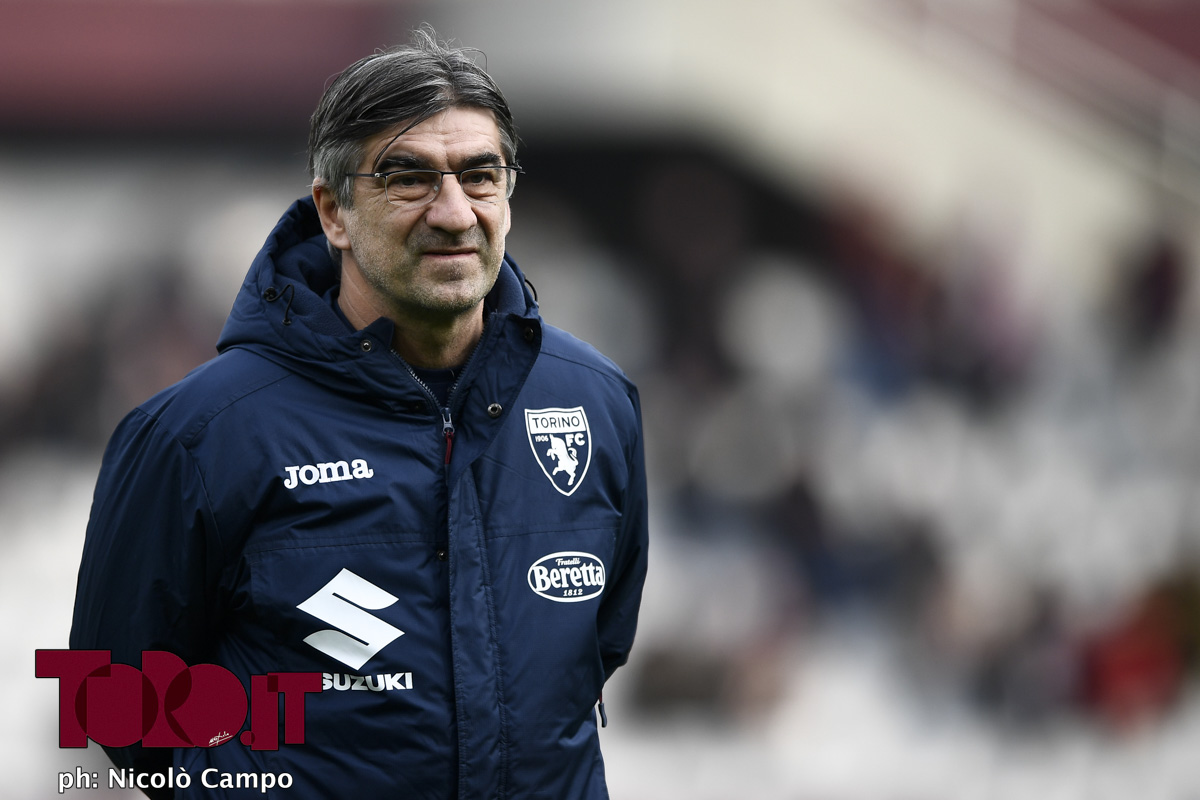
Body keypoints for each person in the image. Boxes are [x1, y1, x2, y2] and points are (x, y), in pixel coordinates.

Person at [70, 27, 648, 799]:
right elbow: (118, 706)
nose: (455, 213)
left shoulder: (597, 399)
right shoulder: (196, 433)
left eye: (481, 176)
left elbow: (593, 652)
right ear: (333, 212)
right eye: (409, 179)